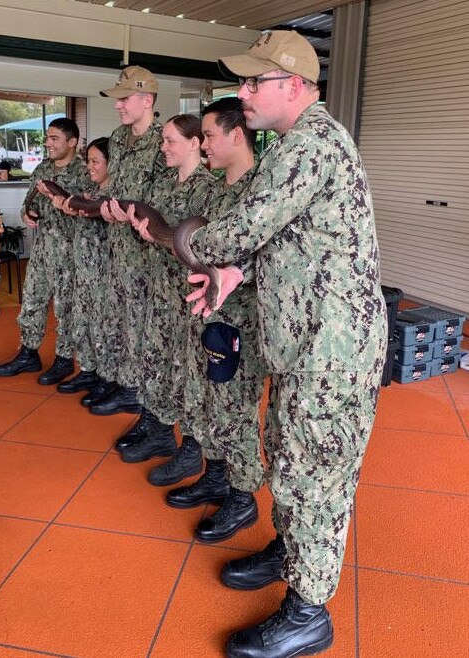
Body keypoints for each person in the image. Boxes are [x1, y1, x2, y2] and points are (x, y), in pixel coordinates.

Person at [180, 30, 388, 658]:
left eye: (253, 82)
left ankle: (308, 613)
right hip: (307, 342)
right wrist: (241, 271)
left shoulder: (310, 145)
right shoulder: (295, 145)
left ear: (293, 86)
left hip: (333, 347)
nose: (241, 93)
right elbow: (290, 238)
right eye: (241, 82)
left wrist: (190, 242)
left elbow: (243, 227)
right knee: (288, 454)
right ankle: (294, 552)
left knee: (314, 473)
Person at [155, 98, 268, 544]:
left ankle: (243, 498)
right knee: (206, 402)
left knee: (235, 411)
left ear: (236, 135)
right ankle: (217, 475)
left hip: (241, 323)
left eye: (209, 136)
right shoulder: (219, 190)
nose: (204, 145)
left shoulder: (261, 192)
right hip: (207, 318)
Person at [116, 114, 215, 484]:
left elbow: (203, 249)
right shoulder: (165, 186)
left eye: (171, 140)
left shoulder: (209, 191)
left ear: (194, 144)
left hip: (190, 299)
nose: (163, 147)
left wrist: (164, 239)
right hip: (160, 294)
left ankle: (191, 450)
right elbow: (156, 233)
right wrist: (146, 233)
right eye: (163, 140)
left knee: (189, 377)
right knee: (155, 362)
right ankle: (159, 432)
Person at [82, 66, 165, 425]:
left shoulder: (165, 141)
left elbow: (166, 199)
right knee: (116, 319)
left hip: (147, 252)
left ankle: (135, 391)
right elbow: (115, 187)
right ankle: (121, 381)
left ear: (146, 100)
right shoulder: (117, 138)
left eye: (125, 98)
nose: (118, 106)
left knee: (140, 326)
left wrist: (135, 215)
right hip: (117, 247)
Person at [0, 118, 91, 383]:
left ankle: (63, 359)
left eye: (54, 138)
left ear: (72, 142)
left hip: (69, 254)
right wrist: (28, 214)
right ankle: (29, 353)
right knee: (32, 302)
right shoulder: (42, 168)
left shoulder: (83, 173)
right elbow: (29, 201)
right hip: (41, 251)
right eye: (47, 138)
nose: (48, 143)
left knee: (65, 308)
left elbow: (90, 214)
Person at [45, 137, 111, 395]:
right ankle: (88, 371)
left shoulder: (112, 198)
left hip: (103, 277)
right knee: (82, 323)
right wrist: (70, 208)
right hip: (82, 273)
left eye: (95, 162)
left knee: (102, 327)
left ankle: (107, 379)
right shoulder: (91, 194)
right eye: (88, 161)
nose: (90, 167)